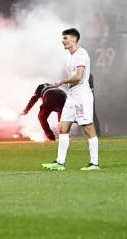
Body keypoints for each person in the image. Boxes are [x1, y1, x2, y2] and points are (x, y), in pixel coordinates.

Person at [43, 28, 99, 171]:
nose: (63, 41)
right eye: (63, 38)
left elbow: (78, 76)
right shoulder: (70, 55)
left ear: (74, 39)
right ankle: (60, 163)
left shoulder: (81, 54)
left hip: (81, 95)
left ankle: (94, 163)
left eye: (65, 38)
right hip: (72, 95)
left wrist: (61, 82)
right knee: (63, 127)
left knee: (87, 127)